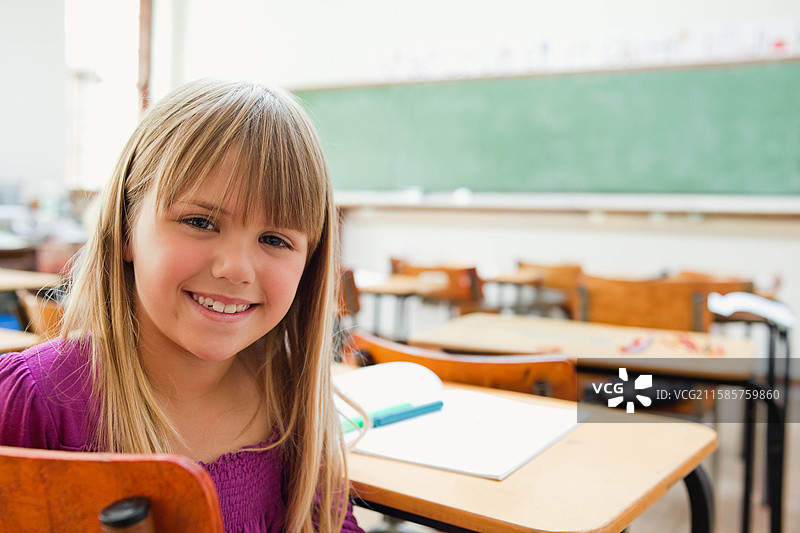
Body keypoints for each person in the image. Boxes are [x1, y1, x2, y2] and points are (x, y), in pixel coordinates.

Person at [0, 79, 365, 532]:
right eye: (199, 221)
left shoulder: (294, 406)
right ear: (127, 229)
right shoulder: (35, 401)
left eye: (274, 239)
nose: (236, 269)